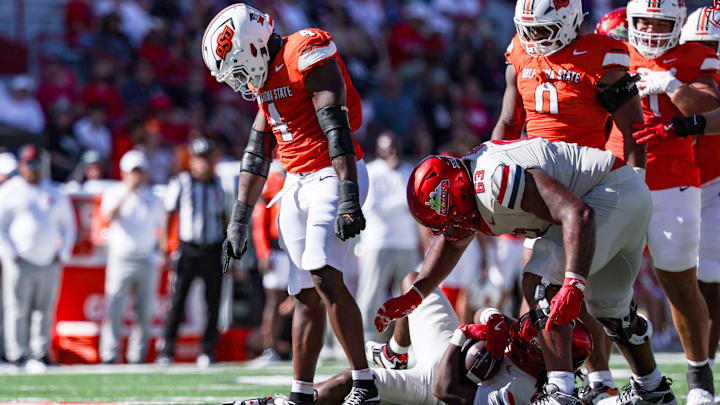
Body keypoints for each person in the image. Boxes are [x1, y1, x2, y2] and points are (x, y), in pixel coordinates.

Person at [376, 139, 675, 405]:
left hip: (607, 194)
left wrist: (573, 283)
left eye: (452, 219)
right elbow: (452, 244)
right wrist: (415, 294)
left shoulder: (493, 180)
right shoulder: (469, 186)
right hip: (626, 194)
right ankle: (652, 387)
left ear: (461, 192)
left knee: (541, 283)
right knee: (613, 311)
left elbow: (577, 214)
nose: (452, 230)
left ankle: (559, 391)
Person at [202, 4, 376, 404]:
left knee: (324, 275)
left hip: (334, 173)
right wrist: (239, 221)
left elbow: (336, 124)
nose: (241, 82)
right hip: (297, 182)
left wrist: (348, 192)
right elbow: (257, 152)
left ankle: (364, 384)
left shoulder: (305, 49)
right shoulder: (265, 80)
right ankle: (301, 394)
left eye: (239, 69)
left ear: (252, 47)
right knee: (302, 292)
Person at [491, 0, 646, 400]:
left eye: (542, 29)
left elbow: (634, 131)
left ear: (568, 21)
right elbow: (508, 122)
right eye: (528, 29)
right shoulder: (519, 48)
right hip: (537, 185)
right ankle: (585, 382)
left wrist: (636, 187)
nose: (533, 38)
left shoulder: (601, 54)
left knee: (590, 296)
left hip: (589, 185)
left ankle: (601, 382)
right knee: (542, 289)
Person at [233, 271, 593, 405]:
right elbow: (502, 322)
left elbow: (446, 389)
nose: (536, 326)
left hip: (434, 381)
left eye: (545, 333)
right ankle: (396, 350)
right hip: (449, 350)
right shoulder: (533, 350)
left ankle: (283, 403)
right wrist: (492, 318)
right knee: (415, 284)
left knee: (353, 382)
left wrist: (465, 334)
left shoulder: (524, 393)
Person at [604, 1, 720, 402]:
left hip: (675, 182)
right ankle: (602, 378)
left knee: (681, 283)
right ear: (630, 22)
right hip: (618, 176)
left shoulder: (694, 56)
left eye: (661, 22)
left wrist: (670, 84)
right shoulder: (613, 52)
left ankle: (700, 377)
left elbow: (709, 109)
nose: (652, 29)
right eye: (645, 21)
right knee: (600, 281)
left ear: (677, 26)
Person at [0, 145, 76, 372]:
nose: (33, 169)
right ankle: (15, 353)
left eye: (36, 164)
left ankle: (40, 352)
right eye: (29, 164)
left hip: (48, 260)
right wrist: (9, 253)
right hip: (20, 260)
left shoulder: (53, 191)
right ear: (21, 166)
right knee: (16, 308)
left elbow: (69, 225)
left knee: (44, 309)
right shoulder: (10, 191)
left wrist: (62, 254)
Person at [157, 138, 226, 368]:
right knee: (177, 301)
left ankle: (208, 350)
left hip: (213, 247)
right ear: (193, 161)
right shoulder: (182, 182)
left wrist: (227, 249)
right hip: (188, 248)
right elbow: (169, 215)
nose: (205, 164)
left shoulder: (218, 184)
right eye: (200, 158)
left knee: (213, 303)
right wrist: (167, 248)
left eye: (208, 158)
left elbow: (223, 218)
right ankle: (167, 350)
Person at [99, 150, 166, 364]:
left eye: (140, 171)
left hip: (147, 258)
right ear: (124, 173)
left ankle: (138, 355)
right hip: (122, 257)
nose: (137, 176)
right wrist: (127, 192)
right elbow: (108, 216)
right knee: (114, 309)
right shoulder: (115, 192)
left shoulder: (154, 197)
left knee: (145, 311)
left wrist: (161, 253)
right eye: (133, 172)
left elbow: (162, 229)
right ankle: (110, 354)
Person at [356, 131, 420, 341]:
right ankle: (366, 338)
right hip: (378, 241)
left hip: (407, 242)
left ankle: (408, 340)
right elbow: (372, 206)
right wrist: (403, 203)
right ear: (379, 150)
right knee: (370, 293)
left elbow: (417, 206)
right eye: (387, 148)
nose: (392, 152)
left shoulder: (410, 171)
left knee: (409, 295)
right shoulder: (371, 171)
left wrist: (404, 205)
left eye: (394, 147)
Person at [252, 162, 292, 362]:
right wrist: (263, 252)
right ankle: (270, 347)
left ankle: (300, 347)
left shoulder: (307, 175)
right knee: (274, 302)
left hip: (298, 248)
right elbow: (260, 220)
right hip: (277, 249)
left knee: (305, 300)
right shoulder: (273, 180)